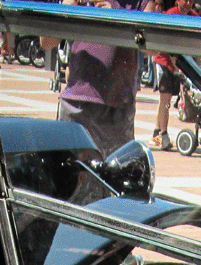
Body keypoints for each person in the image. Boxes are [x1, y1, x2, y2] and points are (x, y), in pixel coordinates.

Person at [41, 0, 144, 155]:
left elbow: (152, 45)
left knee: (113, 169)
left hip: (115, 109)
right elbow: (46, 42)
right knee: (68, 168)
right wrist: (67, 8)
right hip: (76, 102)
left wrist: (117, 20)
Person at [149, 0, 197, 150]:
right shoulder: (171, 15)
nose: (188, 3)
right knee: (165, 100)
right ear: (177, 1)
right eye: (185, 0)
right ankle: (163, 135)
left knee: (165, 101)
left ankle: (156, 133)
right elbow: (165, 41)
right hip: (163, 61)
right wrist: (174, 62)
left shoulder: (194, 17)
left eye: (191, 0)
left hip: (177, 62)